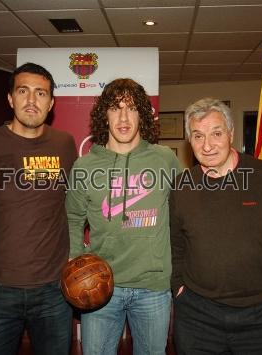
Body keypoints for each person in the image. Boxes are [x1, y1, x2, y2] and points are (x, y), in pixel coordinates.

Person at [170, 97, 262, 354]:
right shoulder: (182, 185)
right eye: (198, 136)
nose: (208, 145)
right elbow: (176, 248)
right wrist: (180, 291)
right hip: (198, 320)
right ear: (190, 141)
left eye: (216, 133)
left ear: (231, 134)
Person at [0, 62, 76, 354]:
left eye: (41, 93)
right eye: (23, 91)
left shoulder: (65, 144)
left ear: (51, 103)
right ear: (10, 98)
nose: (32, 101)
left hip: (54, 292)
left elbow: (75, 208)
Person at [66, 78, 181, 354]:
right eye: (115, 108)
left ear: (142, 114)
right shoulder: (84, 166)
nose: (123, 117)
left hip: (153, 287)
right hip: (100, 287)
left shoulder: (164, 159)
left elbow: (183, 215)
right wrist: (74, 261)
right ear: (104, 115)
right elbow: (72, 219)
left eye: (131, 108)